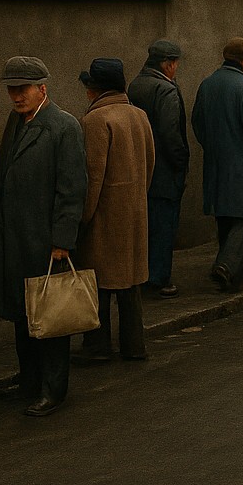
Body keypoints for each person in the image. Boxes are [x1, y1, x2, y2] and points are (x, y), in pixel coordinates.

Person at [0, 56, 87, 418]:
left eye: (22, 89)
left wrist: (63, 239)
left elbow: (72, 187)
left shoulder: (63, 126)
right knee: (22, 314)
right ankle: (28, 380)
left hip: (44, 243)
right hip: (14, 239)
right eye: (11, 89)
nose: (16, 96)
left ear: (42, 89)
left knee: (51, 317)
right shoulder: (16, 124)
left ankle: (53, 389)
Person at [75, 58, 156, 364]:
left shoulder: (96, 120)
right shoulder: (139, 115)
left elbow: (92, 176)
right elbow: (150, 164)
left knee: (100, 282)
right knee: (130, 283)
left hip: (105, 216)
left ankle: (97, 347)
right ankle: (134, 346)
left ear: (93, 89)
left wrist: (83, 217)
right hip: (133, 212)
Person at [191, 37, 243, 292]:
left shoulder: (207, 84)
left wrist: (211, 146)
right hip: (242, 164)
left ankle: (237, 270)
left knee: (224, 215)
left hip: (215, 161)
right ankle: (225, 265)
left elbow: (197, 122)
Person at [128, 39, 189, 298]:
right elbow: (170, 134)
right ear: (169, 64)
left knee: (145, 226)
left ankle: (142, 275)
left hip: (141, 167)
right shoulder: (166, 90)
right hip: (164, 171)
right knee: (164, 226)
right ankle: (159, 279)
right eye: (175, 64)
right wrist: (181, 163)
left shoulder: (136, 85)